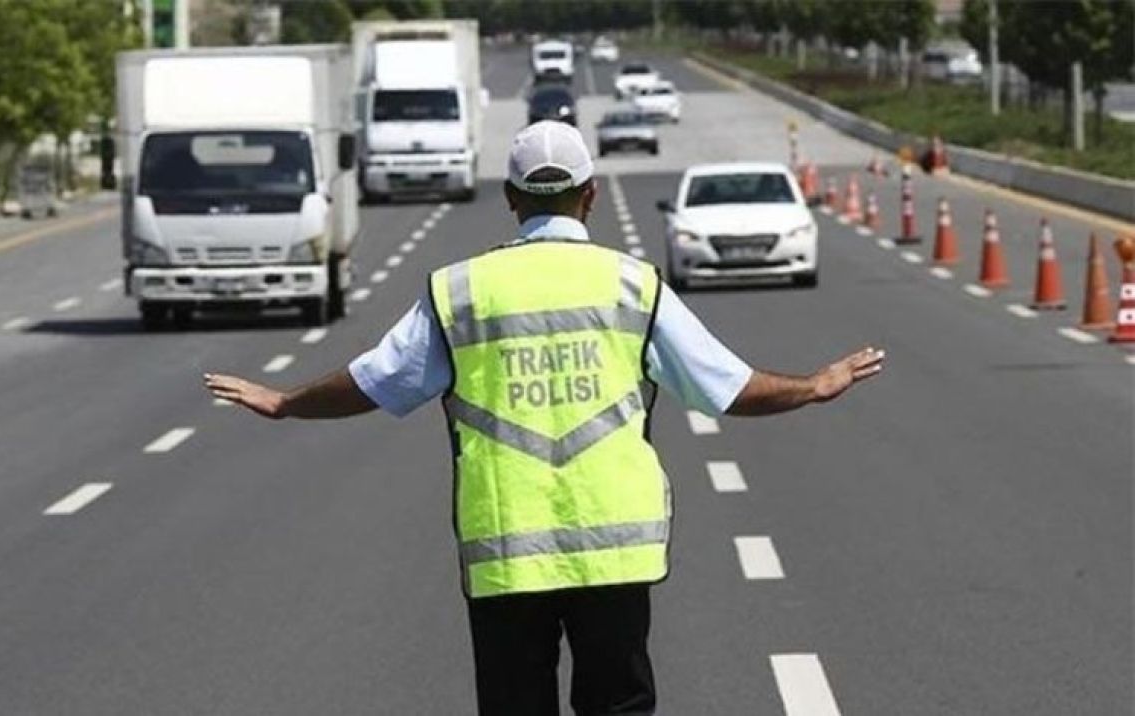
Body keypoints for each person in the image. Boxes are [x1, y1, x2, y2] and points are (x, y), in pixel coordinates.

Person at [204, 121, 885, 716]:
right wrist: (814, 385)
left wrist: (285, 402)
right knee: (617, 705)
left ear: (510, 199)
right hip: (614, 550)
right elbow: (726, 388)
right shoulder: (631, 284)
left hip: (507, 550)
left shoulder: (462, 291)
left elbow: (377, 381)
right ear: (589, 196)